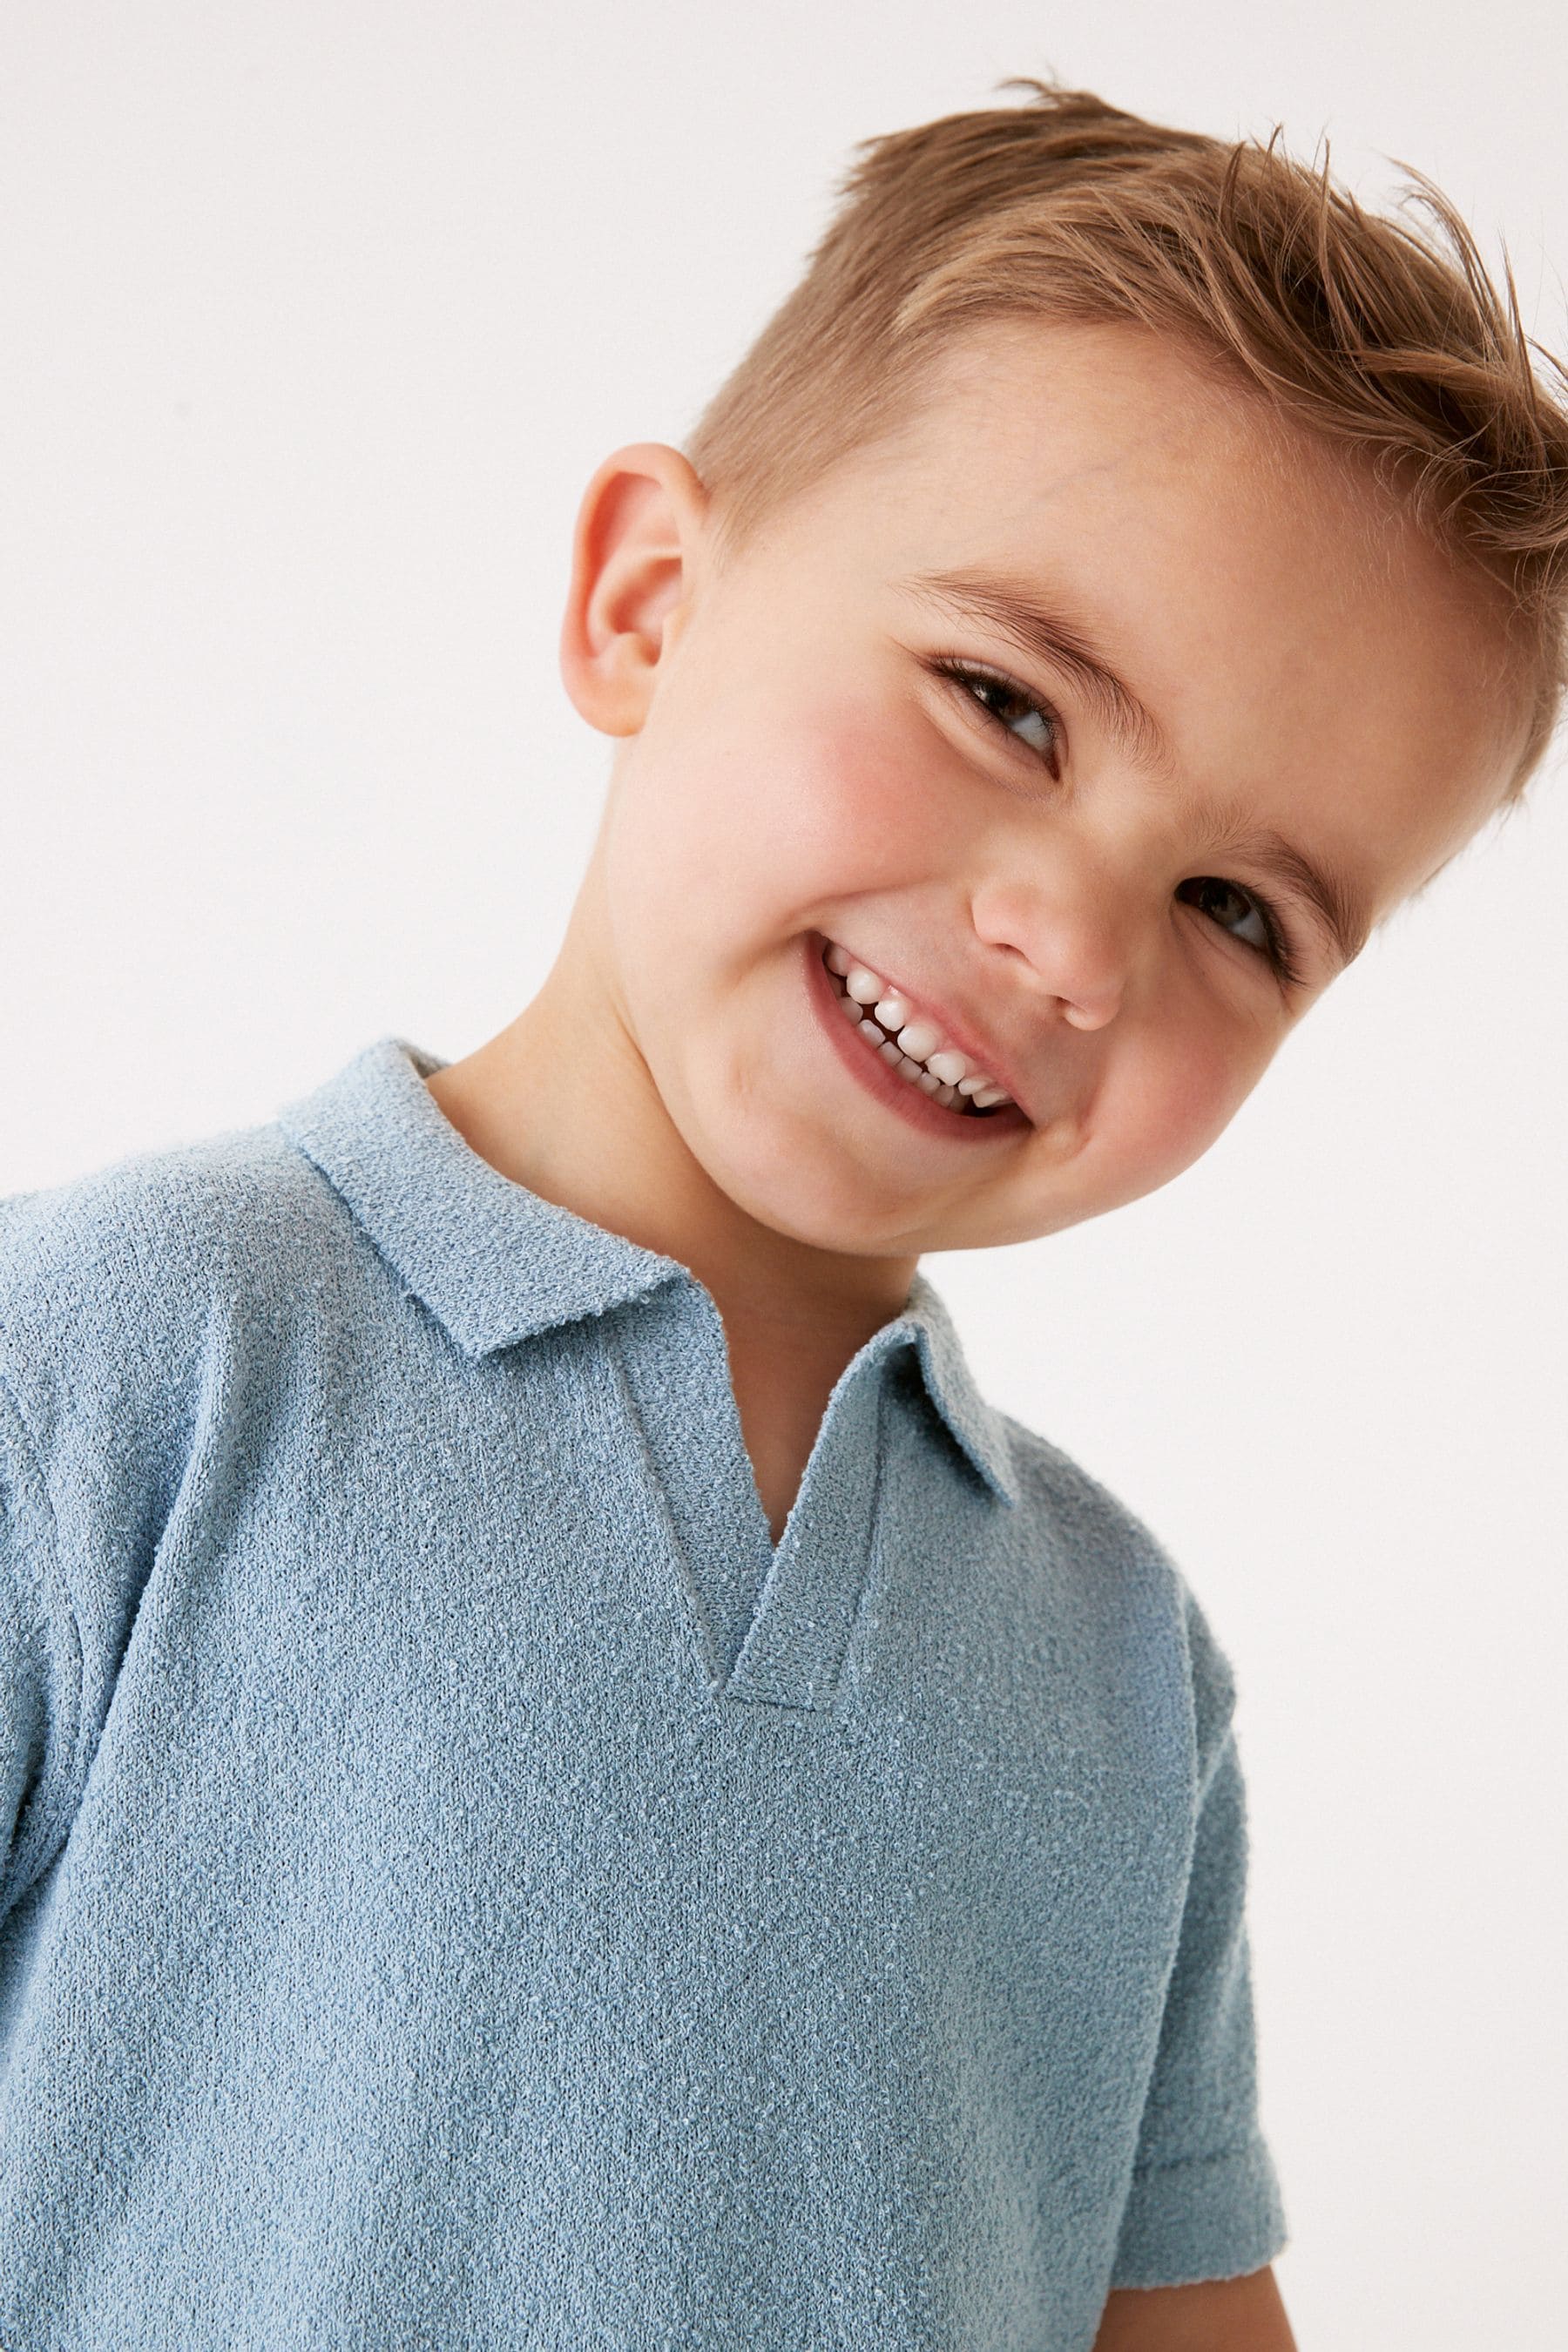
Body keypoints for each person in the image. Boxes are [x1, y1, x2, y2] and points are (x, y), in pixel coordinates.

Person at [3, 78, 1564, 2352]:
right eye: (1009, 702)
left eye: (1240, 904)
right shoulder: (110, 1373)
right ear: (646, 601)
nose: (1071, 942)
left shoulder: (1124, 1669)